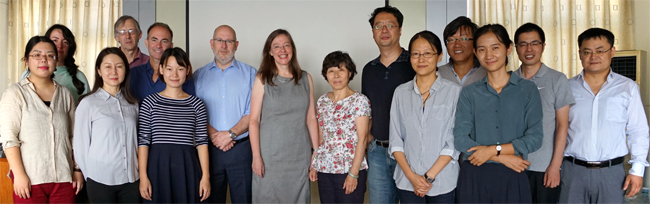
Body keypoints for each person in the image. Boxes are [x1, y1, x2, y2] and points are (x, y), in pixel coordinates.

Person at [453, 24, 543, 203]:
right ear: (476, 53)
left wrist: (493, 151)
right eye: (482, 49)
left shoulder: (527, 90)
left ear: (508, 48)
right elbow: (460, 139)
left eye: (495, 48)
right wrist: (501, 158)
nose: (489, 55)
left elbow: (535, 138)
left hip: (513, 175)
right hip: (476, 174)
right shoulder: (470, 92)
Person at [560, 28, 649, 203]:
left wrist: (637, 171)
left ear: (612, 51)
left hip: (612, 172)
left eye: (600, 51)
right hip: (572, 171)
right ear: (580, 54)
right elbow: (557, 129)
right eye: (587, 52)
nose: (594, 56)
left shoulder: (627, 88)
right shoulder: (566, 87)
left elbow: (638, 131)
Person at [0, 36, 82, 203]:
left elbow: (74, 137)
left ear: (55, 61)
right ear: (26, 61)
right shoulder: (15, 93)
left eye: (50, 55)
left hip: (64, 179)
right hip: (30, 180)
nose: (43, 60)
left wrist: (77, 169)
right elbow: (9, 139)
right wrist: (20, 175)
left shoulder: (65, 94)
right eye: (36, 55)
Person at [389, 31, 460, 203]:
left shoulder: (454, 92)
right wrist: (413, 177)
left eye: (427, 53)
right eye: (415, 54)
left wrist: (428, 178)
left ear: (440, 56)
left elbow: (454, 142)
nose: (421, 59)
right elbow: (396, 141)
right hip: (407, 181)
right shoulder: (400, 93)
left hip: (442, 181)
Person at [249, 29, 319, 203]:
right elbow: (254, 120)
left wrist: (317, 152)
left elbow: (311, 118)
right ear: (270, 52)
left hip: (298, 157)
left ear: (292, 49)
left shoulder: (305, 78)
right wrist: (256, 156)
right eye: (277, 46)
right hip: (269, 158)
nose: (282, 50)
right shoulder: (262, 79)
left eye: (286, 45)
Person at [138, 47, 210, 203]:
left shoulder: (197, 105)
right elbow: (143, 143)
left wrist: (205, 177)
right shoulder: (149, 103)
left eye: (180, 69)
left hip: (187, 167)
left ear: (188, 70)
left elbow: (202, 143)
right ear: (161, 69)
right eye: (169, 68)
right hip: (157, 167)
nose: (175, 74)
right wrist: (143, 177)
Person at [512, 23, 575, 203]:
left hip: (545, 167)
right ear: (515, 48)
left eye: (535, 43)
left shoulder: (557, 79)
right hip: (513, 165)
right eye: (523, 44)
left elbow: (563, 125)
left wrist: (555, 166)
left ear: (543, 46)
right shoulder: (509, 80)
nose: (529, 49)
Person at [194, 25, 257, 203]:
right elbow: (195, 111)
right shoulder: (198, 76)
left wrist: (231, 134)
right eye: (219, 41)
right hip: (209, 152)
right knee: (210, 199)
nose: (223, 46)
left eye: (228, 41)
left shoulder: (252, 74)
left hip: (242, 150)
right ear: (211, 44)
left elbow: (253, 112)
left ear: (236, 45)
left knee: (243, 199)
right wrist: (217, 137)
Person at [361, 6, 415, 203]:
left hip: (411, 150)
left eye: (390, 25)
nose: (384, 30)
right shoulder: (369, 69)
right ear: (373, 33)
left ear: (400, 30)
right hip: (378, 152)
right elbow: (367, 111)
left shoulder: (415, 63)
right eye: (378, 26)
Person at [73, 47, 140, 203]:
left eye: (119, 66)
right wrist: (90, 175)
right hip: (100, 181)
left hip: (131, 180)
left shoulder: (133, 104)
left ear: (126, 70)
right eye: (108, 66)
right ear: (99, 71)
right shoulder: (88, 103)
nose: (114, 72)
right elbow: (80, 146)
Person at [309, 51, 370, 203]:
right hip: (325, 169)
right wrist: (315, 163)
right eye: (331, 71)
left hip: (350, 169)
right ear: (326, 74)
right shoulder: (322, 101)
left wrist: (354, 174)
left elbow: (363, 139)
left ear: (349, 72)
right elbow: (322, 135)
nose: (336, 75)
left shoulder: (360, 101)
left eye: (341, 70)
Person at [21, 24, 91, 103]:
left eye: (65, 42)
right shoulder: (27, 75)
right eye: (55, 40)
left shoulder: (79, 78)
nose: (59, 46)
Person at [130, 22, 195, 102]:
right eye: (154, 40)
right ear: (146, 43)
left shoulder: (182, 77)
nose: (158, 46)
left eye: (164, 41)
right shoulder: (132, 74)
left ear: (171, 46)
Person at [438, 16, 486, 87]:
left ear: (475, 43)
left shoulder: (487, 74)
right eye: (452, 39)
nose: (457, 45)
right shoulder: (437, 75)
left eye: (464, 39)